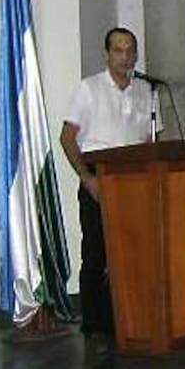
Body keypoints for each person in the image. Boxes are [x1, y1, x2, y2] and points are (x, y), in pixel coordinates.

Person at [58, 26, 158, 335]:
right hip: (99, 177)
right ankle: (95, 324)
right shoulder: (89, 89)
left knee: (134, 250)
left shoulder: (146, 91)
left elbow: (154, 138)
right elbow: (67, 138)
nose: (125, 56)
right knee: (97, 253)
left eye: (130, 50)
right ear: (106, 54)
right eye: (118, 49)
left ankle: (130, 316)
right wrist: (87, 179)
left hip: (135, 179)